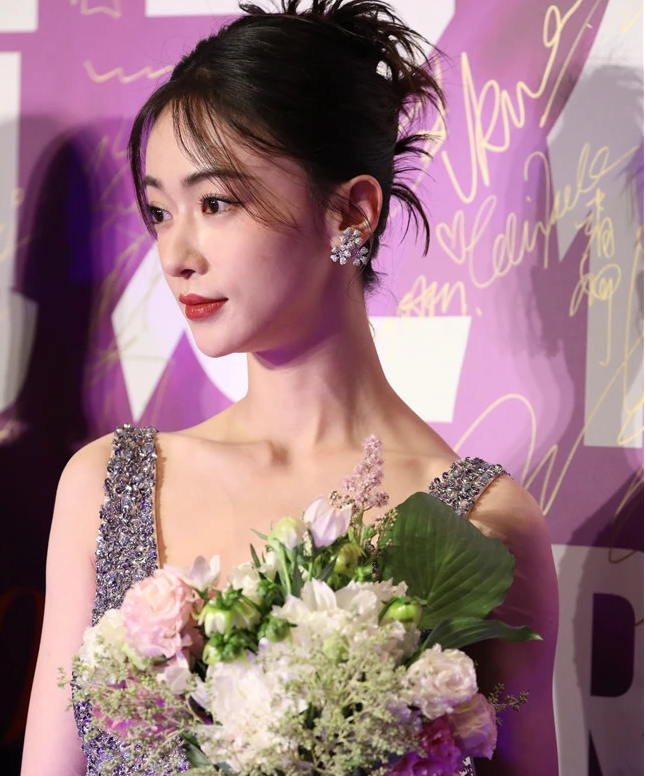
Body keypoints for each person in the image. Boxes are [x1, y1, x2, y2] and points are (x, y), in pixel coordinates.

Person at [20, 1, 559, 774]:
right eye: (160, 211)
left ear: (351, 212)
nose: (175, 253)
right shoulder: (109, 484)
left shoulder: (482, 524)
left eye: (215, 203)